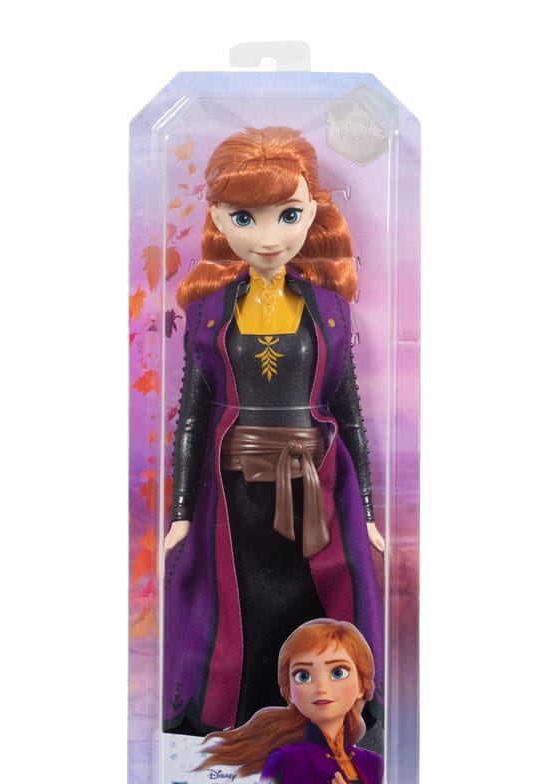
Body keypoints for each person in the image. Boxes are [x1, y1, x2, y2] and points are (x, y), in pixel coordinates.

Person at [163, 126, 384, 736]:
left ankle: (325, 717)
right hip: (235, 495)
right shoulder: (210, 310)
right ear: (217, 217)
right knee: (239, 606)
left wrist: (367, 511)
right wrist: (181, 511)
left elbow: (349, 410)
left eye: (287, 215)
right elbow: (191, 414)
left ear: (312, 211)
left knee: (317, 597)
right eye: (245, 218)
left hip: (315, 487)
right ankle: (232, 718)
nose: (267, 238)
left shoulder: (329, 308)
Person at [199, 619, 382, 784]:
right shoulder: (289, 761)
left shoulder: (372, 765)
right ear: (290, 691)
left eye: (338, 672)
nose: (321, 687)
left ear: (362, 684)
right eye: (303, 675)